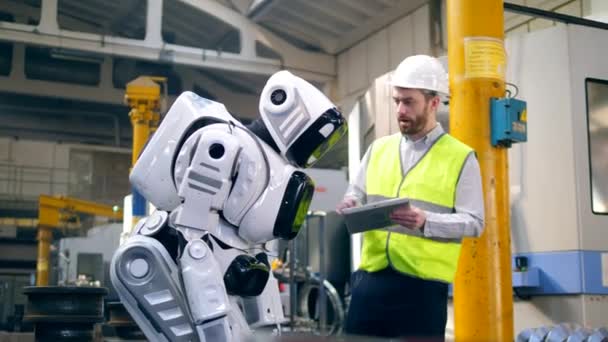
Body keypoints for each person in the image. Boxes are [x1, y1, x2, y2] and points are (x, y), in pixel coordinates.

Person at [337, 54, 485, 340]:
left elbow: (475, 222)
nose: (400, 110)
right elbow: (355, 192)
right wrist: (350, 202)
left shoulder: (461, 157)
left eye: (409, 102)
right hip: (371, 281)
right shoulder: (378, 149)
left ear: (433, 103)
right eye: (397, 101)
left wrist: (425, 221)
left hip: (423, 290)